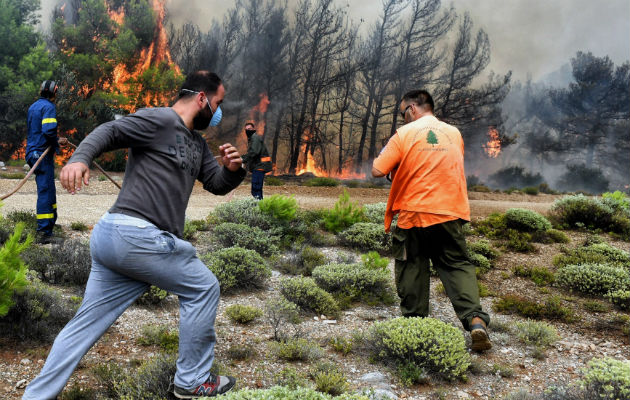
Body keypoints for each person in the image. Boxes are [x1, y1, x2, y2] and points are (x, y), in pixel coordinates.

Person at [22, 71, 244, 400]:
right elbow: (110, 131)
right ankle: (192, 381)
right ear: (202, 98)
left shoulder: (197, 145)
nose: (219, 111)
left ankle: (36, 396)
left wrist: (232, 170)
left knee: (83, 327)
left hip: (118, 244)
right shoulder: (159, 120)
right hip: (135, 235)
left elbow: (216, 183)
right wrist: (80, 158)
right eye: (218, 103)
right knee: (203, 287)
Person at [372, 89, 492, 352]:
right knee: (457, 265)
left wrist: (392, 157)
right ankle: (475, 321)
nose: (403, 118)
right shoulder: (454, 133)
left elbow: (378, 169)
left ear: (413, 109)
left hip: (414, 213)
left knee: (412, 266)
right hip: (450, 212)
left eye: (403, 113)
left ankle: (415, 329)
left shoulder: (404, 134)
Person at [25, 80, 68, 243]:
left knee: (48, 189)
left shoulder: (33, 106)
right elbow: (48, 130)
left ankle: (49, 226)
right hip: (40, 154)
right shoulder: (49, 107)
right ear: (54, 92)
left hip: (33, 152)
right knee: (46, 191)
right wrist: (57, 141)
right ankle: (44, 233)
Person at [240, 121, 272, 200]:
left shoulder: (255, 138)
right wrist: (242, 157)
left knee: (256, 188)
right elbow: (252, 152)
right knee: (256, 188)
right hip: (257, 167)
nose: (248, 130)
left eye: (250, 129)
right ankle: (259, 206)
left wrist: (243, 159)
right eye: (246, 129)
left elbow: (254, 152)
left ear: (253, 129)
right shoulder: (252, 139)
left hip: (260, 166)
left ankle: (259, 207)